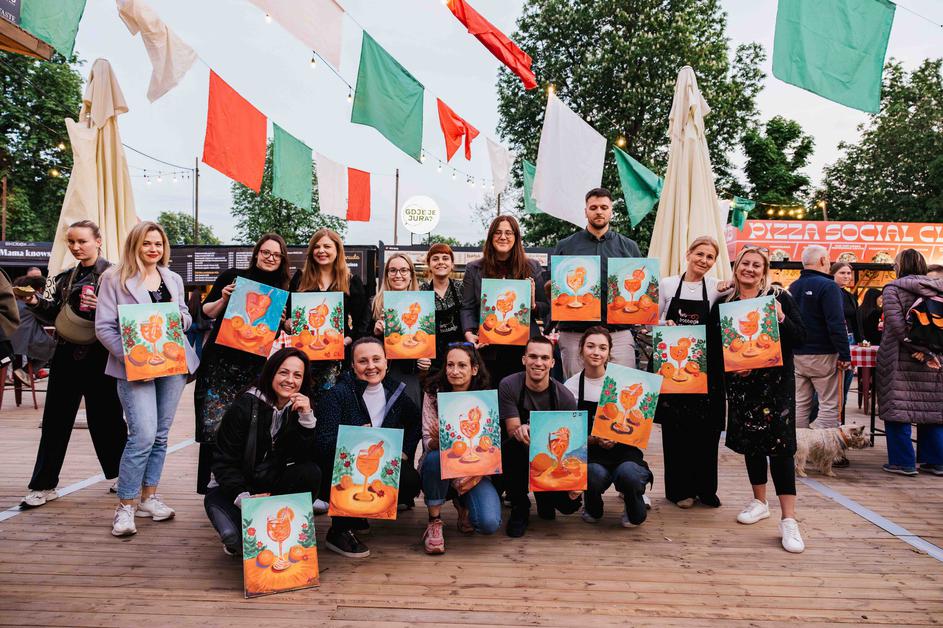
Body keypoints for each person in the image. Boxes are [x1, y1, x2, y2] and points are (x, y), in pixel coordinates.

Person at [96, 221, 199, 537]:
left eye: (158, 243)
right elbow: (103, 327)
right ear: (134, 245)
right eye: (146, 243)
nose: (153, 249)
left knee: (161, 435)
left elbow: (186, 316)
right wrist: (130, 356)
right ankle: (125, 505)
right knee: (142, 435)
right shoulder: (114, 278)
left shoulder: (172, 278)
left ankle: (148, 498)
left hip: (172, 363)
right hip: (135, 367)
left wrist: (179, 319)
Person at [20, 221, 127, 508]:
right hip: (66, 354)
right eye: (71, 242)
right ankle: (43, 485)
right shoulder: (64, 277)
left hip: (101, 355)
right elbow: (55, 315)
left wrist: (103, 308)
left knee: (107, 419)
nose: (76, 247)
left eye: (82, 241)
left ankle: (123, 476)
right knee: (55, 420)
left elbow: (130, 315)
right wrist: (34, 301)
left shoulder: (116, 275)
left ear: (98, 241)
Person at [708, 247, 806, 553]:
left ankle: (789, 519)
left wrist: (781, 317)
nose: (749, 269)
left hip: (776, 386)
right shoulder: (724, 302)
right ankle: (759, 502)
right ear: (736, 267)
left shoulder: (779, 298)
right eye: (745, 264)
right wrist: (731, 364)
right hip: (742, 386)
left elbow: (801, 337)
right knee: (752, 443)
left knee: (780, 448)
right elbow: (713, 346)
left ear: (764, 271)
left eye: (756, 265)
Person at [194, 233, 291, 493]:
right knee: (213, 423)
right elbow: (205, 312)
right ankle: (212, 484)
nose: (270, 258)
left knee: (245, 423)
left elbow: (284, 331)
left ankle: (237, 483)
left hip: (254, 366)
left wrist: (282, 322)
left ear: (282, 259)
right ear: (257, 253)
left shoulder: (283, 290)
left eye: (276, 254)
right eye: (266, 252)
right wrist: (224, 299)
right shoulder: (233, 277)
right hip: (220, 363)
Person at [205, 348, 321, 556]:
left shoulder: (298, 407)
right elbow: (224, 463)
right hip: (232, 489)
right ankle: (237, 526)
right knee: (235, 539)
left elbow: (303, 458)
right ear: (271, 372)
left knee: (310, 472)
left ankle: (282, 527)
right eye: (283, 372)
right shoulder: (244, 406)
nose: (290, 380)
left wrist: (307, 420)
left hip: (268, 483)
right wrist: (244, 499)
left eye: (297, 375)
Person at [314, 337, 422, 558]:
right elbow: (323, 442)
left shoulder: (395, 391)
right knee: (343, 469)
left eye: (376, 359)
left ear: (386, 362)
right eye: (363, 361)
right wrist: (352, 437)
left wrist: (405, 451)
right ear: (353, 365)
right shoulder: (337, 395)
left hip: (376, 463)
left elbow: (415, 422)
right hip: (338, 467)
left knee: (410, 480)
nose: (371, 366)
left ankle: (359, 515)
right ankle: (338, 531)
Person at [655, 236, 729, 508]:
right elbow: (650, 320)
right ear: (688, 254)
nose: (704, 261)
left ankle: (706, 489)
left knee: (706, 431)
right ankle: (680, 491)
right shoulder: (667, 284)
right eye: (700, 254)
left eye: (710, 257)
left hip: (705, 369)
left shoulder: (717, 287)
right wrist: (664, 323)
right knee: (676, 431)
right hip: (672, 369)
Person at [564, 327, 653, 527]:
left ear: (609, 353)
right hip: (592, 453)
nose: (596, 352)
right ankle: (592, 506)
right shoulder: (570, 387)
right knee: (593, 474)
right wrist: (595, 439)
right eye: (591, 346)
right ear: (581, 349)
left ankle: (633, 502)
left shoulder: (626, 384)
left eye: (602, 348)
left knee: (629, 475)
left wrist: (619, 436)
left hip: (625, 452)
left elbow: (639, 428)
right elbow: (569, 434)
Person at [551, 188, 643, 378]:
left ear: (611, 211)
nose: (599, 211)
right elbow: (552, 288)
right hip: (575, 333)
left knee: (621, 386)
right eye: (593, 207)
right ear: (585, 211)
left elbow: (640, 287)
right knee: (575, 390)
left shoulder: (629, 247)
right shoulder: (565, 246)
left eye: (604, 207)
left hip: (618, 333)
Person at [419, 343, 501, 554]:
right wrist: (443, 442)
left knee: (488, 523)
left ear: (474, 369)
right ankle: (434, 521)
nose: (455, 371)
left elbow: (490, 444)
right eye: (450, 365)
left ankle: (463, 502)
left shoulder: (485, 398)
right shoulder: (433, 393)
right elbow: (427, 440)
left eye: (462, 365)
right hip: (440, 468)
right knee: (434, 457)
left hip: (475, 472)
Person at [499, 335, 581, 537]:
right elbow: (512, 429)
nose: (538, 363)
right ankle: (520, 504)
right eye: (533, 356)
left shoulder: (565, 397)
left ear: (552, 363)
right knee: (514, 444)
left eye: (544, 358)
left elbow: (570, 442)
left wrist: (574, 483)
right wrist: (522, 430)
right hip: (518, 454)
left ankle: (544, 495)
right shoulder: (509, 385)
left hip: (550, 457)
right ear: (524, 359)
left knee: (569, 505)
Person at [877, 249, 943, 476]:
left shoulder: (893, 289)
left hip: (899, 356)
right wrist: (929, 352)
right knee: (932, 409)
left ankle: (902, 462)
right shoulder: (937, 288)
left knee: (898, 408)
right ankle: (936, 460)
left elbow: (897, 326)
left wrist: (918, 349)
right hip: (935, 357)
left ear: (900, 266)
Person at [462, 215, 549, 385]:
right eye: (498, 232)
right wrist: (468, 332)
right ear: (491, 237)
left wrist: (532, 304)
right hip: (488, 349)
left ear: (516, 237)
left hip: (523, 349)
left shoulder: (532, 267)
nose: (503, 237)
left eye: (508, 233)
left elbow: (545, 307)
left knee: (520, 395)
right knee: (490, 392)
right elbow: (467, 307)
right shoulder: (474, 269)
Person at [288, 228, 370, 394]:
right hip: (304, 358)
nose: (321, 251)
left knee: (333, 401)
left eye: (327, 246)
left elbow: (363, 321)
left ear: (337, 250)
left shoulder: (351, 281)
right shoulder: (300, 279)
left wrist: (348, 339)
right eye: (317, 247)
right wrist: (288, 324)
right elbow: (289, 315)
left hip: (338, 359)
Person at [789, 245, 850, 430]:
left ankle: (799, 444)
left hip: (797, 354)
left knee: (800, 404)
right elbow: (836, 323)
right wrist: (845, 354)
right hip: (824, 353)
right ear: (823, 260)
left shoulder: (793, 286)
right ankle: (824, 445)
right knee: (829, 404)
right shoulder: (829, 286)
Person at [371, 253, 426, 406]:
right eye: (393, 270)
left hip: (410, 374)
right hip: (379, 374)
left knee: (409, 415)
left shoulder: (422, 304)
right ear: (387, 275)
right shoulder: (374, 304)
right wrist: (375, 334)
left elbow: (428, 339)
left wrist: (426, 359)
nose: (398, 275)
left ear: (411, 275)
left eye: (403, 270)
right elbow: (361, 341)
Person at [418, 243, 464, 373]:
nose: (440, 262)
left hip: (460, 356)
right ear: (429, 264)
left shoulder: (462, 288)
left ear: (452, 264)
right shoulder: (421, 291)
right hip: (432, 361)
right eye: (435, 259)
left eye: (445, 258)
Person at [831, 261, 861, 428]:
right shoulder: (829, 292)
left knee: (845, 386)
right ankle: (831, 423)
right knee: (834, 387)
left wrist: (860, 340)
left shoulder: (849, 296)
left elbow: (856, 321)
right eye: (842, 273)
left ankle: (840, 423)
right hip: (835, 340)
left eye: (849, 273)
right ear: (832, 274)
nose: (847, 276)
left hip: (851, 340)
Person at [11, 275, 56, 381]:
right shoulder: (34, 299)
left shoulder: (12, 299)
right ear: (40, 289)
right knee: (56, 349)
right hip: (27, 340)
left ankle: (20, 373)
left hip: (8, 341)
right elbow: (48, 320)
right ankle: (25, 372)